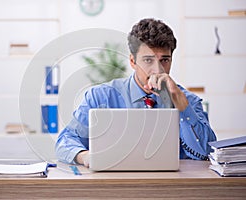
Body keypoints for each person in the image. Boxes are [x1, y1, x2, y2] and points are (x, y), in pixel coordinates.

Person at [55, 18, 216, 167]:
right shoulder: (100, 97)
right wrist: (85, 156)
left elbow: (207, 153)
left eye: (164, 60)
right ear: (133, 61)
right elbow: (65, 141)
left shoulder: (188, 100)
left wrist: (182, 107)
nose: (157, 70)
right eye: (148, 60)